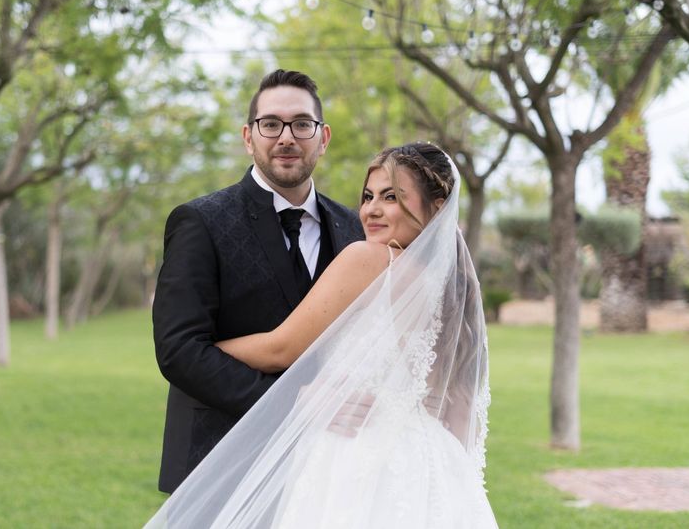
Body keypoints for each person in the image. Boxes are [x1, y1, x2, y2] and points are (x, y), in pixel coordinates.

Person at [145, 142, 496, 528]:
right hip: (429, 465)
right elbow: (461, 409)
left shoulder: (369, 259)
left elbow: (280, 349)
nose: (372, 209)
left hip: (355, 456)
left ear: (438, 206)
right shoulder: (454, 289)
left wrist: (202, 348)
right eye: (368, 196)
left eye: (392, 196)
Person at [152, 69, 364, 494]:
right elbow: (178, 350)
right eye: (271, 124)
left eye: (302, 124)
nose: (286, 137)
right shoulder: (200, 221)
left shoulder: (354, 228)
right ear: (249, 137)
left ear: (323, 138)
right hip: (220, 462)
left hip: (329, 469)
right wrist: (291, 405)